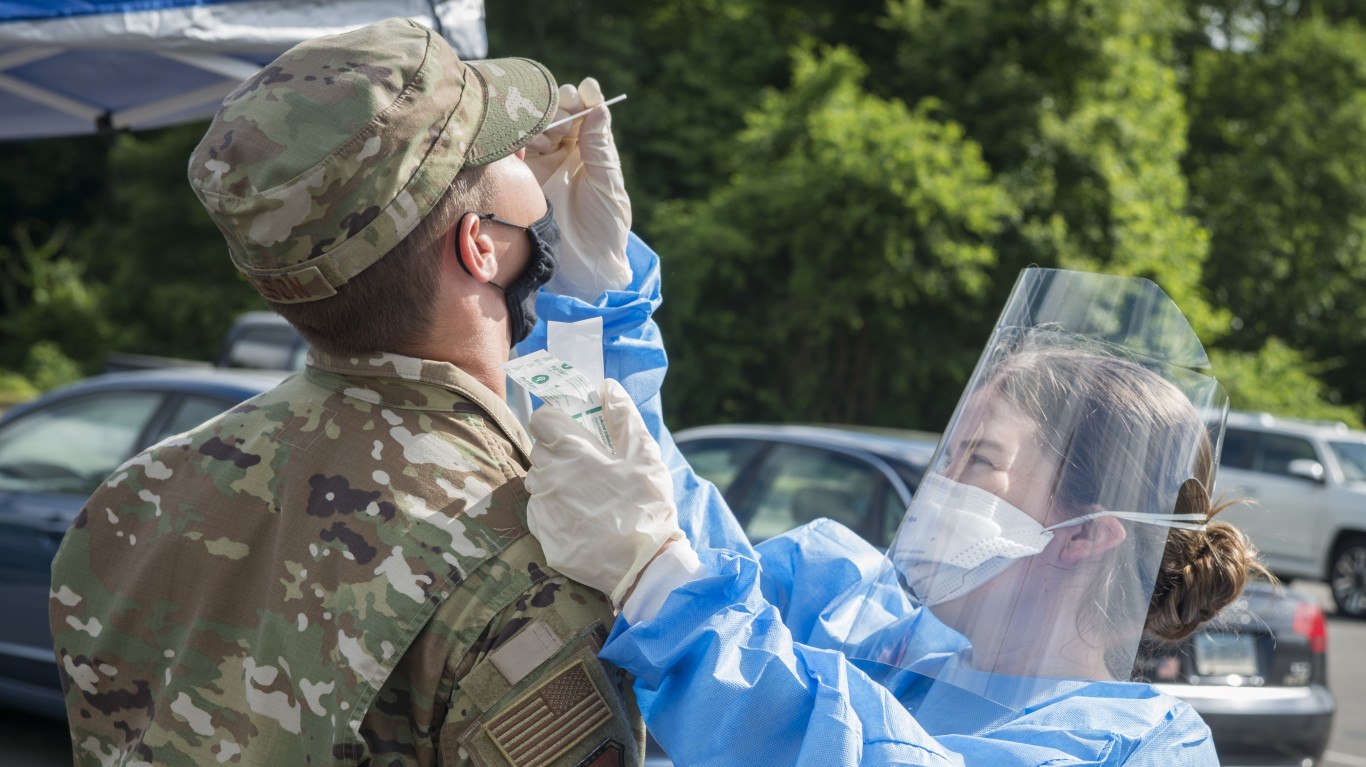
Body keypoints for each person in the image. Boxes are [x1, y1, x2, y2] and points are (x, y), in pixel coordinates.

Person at [48, 18, 646, 767]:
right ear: (479, 244)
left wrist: (592, 320)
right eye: (506, 151)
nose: (531, 156)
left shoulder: (136, 499)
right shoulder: (525, 563)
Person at [522, 268, 1270, 767]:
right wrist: (591, 296)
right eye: (947, 456)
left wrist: (663, 586)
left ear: (1085, 534)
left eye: (977, 461)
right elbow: (675, 523)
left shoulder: (1140, 747)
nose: (938, 487)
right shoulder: (880, 632)